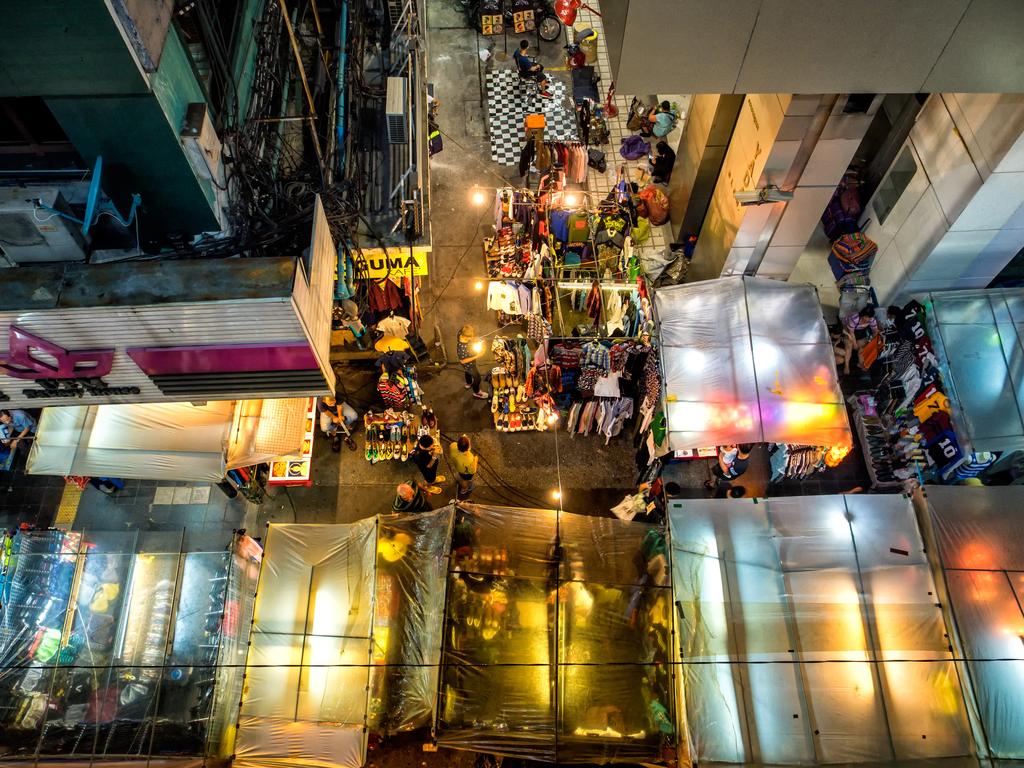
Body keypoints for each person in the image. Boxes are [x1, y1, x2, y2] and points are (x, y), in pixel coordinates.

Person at [842, 305, 879, 375]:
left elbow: (875, 331)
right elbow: (851, 332)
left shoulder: (872, 320)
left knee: (863, 347)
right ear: (862, 314)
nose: (866, 319)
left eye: (868, 317)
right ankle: (846, 366)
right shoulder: (854, 318)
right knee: (849, 345)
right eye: (865, 316)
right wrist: (855, 343)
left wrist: (872, 340)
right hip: (847, 329)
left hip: (860, 331)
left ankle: (860, 363)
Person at [457, 325, 489, 400]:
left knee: (467, 372)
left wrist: (477, 340)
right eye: (470, 337)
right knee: (477, 378)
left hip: (466, 366)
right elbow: (462, 360)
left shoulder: (460, 334)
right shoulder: (462, 348)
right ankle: (477, 392)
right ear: (465, 337)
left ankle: (468, 383)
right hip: (469, 365)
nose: (472, 338)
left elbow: (470, 339)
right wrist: (477, 356)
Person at [448, 434, 479, 499]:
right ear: (468, 448)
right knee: (465, 480)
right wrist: (476, 459)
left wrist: (464, 440)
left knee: (462, 477)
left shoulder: (453, 445)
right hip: (465, 473)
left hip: (458, 467)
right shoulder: (469, 459)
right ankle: (464, 489)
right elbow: (472, 471)